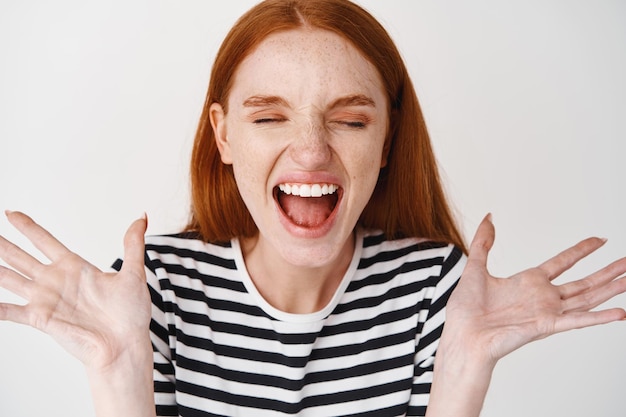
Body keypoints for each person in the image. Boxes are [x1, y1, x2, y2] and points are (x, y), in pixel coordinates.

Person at [0, 0, 624, 416]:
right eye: (269, 117)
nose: (311, 150)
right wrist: (119, 372)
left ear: (385, 142)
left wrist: (461, 372)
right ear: (222, 135)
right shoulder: (154, 288)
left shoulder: (438, 289)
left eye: (351, 119)